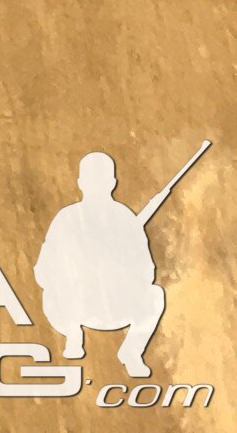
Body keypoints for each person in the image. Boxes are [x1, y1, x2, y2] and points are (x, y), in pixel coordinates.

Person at [37, 151, 173, 378]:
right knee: (52, 292)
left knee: (155, 295)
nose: (96, 186)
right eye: (93, 180)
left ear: (112, 183)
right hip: (76, 306)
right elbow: (44, 270)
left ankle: (132, 351)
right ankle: (72, 335)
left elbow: (146, 271)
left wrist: (116, 271)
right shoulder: (66, 219)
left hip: (116, 305)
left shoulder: (125, 219)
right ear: (80, 183)